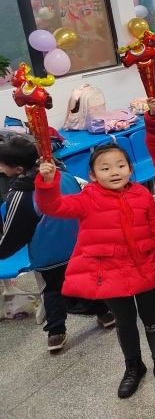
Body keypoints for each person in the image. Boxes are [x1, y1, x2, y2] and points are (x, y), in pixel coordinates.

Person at [34, 143, 155, 398]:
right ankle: (134, 366)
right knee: (124, 322)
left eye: (121, 166)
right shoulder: (87, 199)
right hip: (109, 273)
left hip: (144, 268)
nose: (115, 172)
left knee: (152, 318)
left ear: (130, 169)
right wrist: (48, 182)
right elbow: (52, 207)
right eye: (106, 168)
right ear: (92, 175)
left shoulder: (142, 195)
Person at [0, 138, 115, 353]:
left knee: (53, 292)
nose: (0, 168)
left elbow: (15, 232)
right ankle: (105, 314)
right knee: (83, 282)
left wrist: (2, 251)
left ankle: (56, 333)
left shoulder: (21, 194)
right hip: (79, 244)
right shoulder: (63, 175)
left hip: (49, 254)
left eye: (2, 165)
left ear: (18, 169)